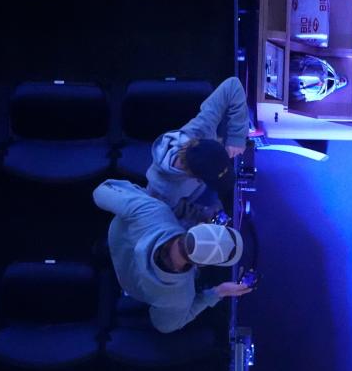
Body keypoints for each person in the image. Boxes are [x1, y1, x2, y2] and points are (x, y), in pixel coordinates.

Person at [94, 179, 252, 333]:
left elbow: (101, 192)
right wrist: (217, 293)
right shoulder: (180, 297)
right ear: (202, 265)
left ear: (196, 226)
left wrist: (140, 196)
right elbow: (164, 326)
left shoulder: (154, 211)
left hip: (109, 238)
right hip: (126, 284)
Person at [146, 77, 249, 228]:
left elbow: (232, 85)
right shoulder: (163, 189)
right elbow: (175, 212)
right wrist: (201, 214)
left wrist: (236, 138)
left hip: (196, 189)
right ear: (197, 178)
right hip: (192, 199)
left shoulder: (202, 130)